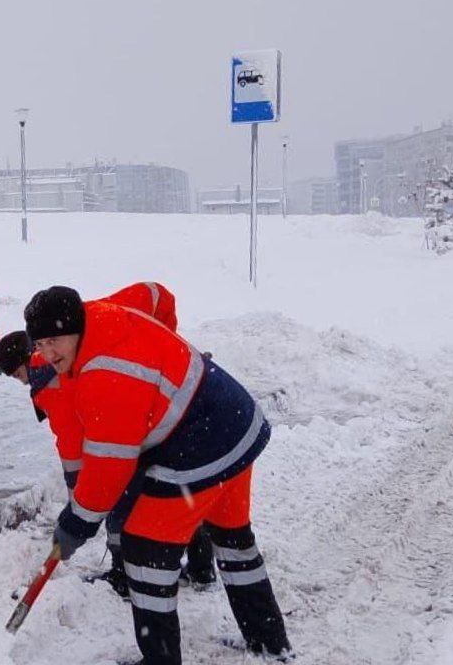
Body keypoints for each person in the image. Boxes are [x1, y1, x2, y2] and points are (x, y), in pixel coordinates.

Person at [23, 285, 290, 665]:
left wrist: (77, 522)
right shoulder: (103, 316)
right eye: (40, 343)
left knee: (145, 549)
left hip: (203, 440)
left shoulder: (106, 373)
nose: (48, 354)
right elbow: (154, 295)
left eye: (55, 340)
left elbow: (108, 467)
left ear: (75, 328)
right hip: (235, 421)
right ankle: (270, 642)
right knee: (232, 538)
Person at [0, 283, 215, 597]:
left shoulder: (50, 386)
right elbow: (155, 294)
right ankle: (202, 568)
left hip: (131, 434)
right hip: (161, 419)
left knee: (118, 506)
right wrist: (165, 341)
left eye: (18, 376)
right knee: (183, 495)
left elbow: (73, 448)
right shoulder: (94, 316)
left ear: (25, 363)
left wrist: (79, 502)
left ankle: (123, 575)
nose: (22, 383)